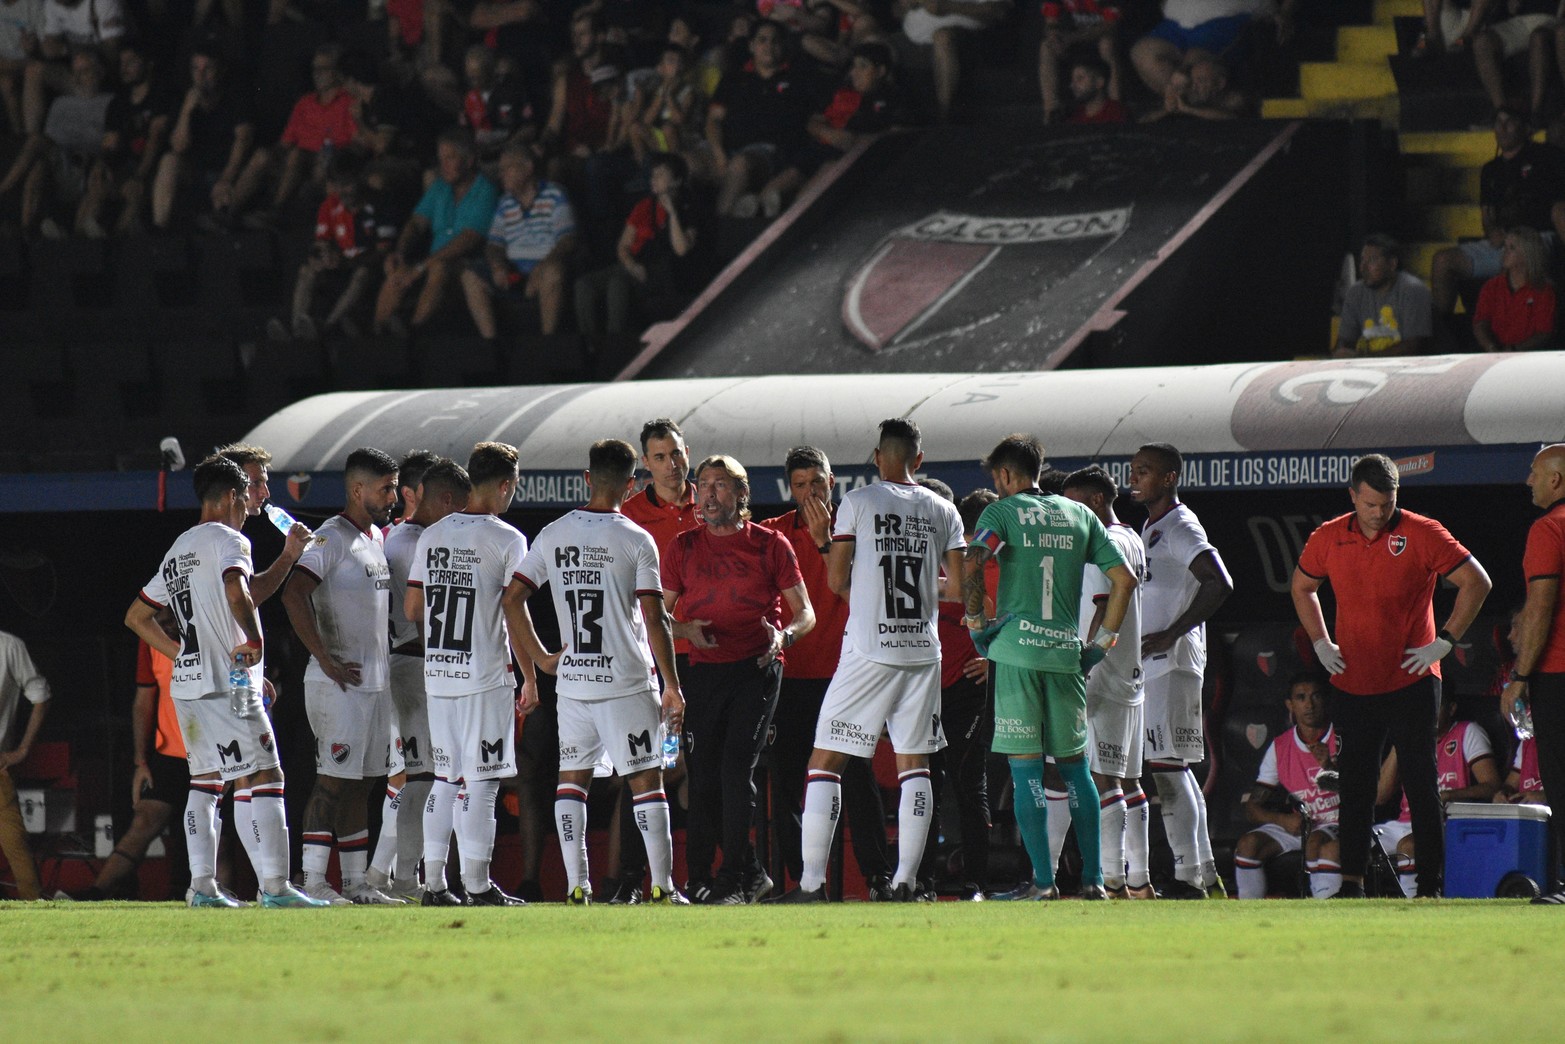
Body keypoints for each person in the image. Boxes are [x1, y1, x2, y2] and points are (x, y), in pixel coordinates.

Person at [772, 421, 965, 903]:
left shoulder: (858, 504)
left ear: (878, 457)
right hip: (923, 652)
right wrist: (925, 587)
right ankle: (907, 882)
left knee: (825, 763)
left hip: (869, 651)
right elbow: (959, 590)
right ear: (918, 460)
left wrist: (822, 544)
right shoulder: (944, 510)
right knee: (914, 764)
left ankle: (813, 884)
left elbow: (838, 582)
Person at [124, 454, 326, 908]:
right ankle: (275, 887)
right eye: (249, 492)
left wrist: (182, 654)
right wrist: (254, 641)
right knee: (267, 775)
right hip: (226, 686)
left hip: (191, 686)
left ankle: (202, 887)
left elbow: (136, 616)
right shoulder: (229, 539)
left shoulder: (178, 548)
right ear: (233, 496)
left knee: (207, 781)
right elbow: (239, 591)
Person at [1292, 453, 1492, 898]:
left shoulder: (1422, 531)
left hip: (1412, 680)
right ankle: (1351, 883)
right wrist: (1322, 642)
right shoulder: (1328, 537)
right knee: (1357, 785)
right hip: (1353, 682)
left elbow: (1477, 581)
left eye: (1387, 503)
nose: (1380, 513)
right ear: (1352, 497)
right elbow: (1302, 586)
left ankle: (1430, 885)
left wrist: (1444, 641)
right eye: (1370, 505)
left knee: (1421, 782)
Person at [508, 438, 689, 905]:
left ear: (588, 478)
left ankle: (576, 885)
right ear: (632, 485)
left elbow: (512, 599)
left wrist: (545, 659)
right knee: (647, 782)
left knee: (573, 780)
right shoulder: (635, 539)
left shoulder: (553, 533)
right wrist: (671, 685)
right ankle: (664, 888)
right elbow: (655, 617)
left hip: (573, 684)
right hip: (626, 682)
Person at [963, 433, 1135, 900]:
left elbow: (974, 561)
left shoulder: (1000, 512)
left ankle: (1043, 882)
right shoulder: (1080, 515)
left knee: (1027, 771)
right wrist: (1099, 645)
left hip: (1017, 655)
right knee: (1077, 770)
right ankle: (1095, 881)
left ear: (1004, 475)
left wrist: (978, 624)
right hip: (1065, 657)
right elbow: (1125, 579)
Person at [662, 453, 815, 903]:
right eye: (703, 484)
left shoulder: (769, 544)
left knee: (734, 771)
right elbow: (654, 618)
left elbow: (805, 614)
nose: (708, 493)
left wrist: (783, 637)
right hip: (703, 672)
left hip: (756, 668)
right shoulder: (683, 546)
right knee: (702, 777)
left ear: (742, 493)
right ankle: (707, 877)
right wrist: (686, 630)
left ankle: (733, 880)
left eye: (720, 485)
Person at [407, 442, 540, 906]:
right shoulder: (507, 539)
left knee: (445, 780)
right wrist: (531, 675)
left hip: (440, 674)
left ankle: (436, 885)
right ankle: (479, 885)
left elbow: (412, 607)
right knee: (482, 781)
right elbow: (513, 610)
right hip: (485, 676)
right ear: (505, 485)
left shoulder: (433, 535)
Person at [759, 445, 892, 899]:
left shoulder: (858, 526)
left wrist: (825, 539)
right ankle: (802, 882)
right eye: (800, 485)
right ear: (789, 489)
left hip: (847, 676)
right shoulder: (772, 534)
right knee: (788, 786)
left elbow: (867, 587)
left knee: (858, 778)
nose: (810, 491)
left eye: (817, 482)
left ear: (833, 481)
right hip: (790, 678)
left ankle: (878, 878)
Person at [281, 448, 401, 906]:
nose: (392, 496)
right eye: (385, 488)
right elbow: (294, 593)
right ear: (357, 489)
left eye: (393, 487)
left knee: (363, 782)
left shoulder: (372, 537)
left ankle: (355, 884)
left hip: (374, 683)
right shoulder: (331, 537)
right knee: (331, 780)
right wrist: (325, 658)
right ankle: (312, 881)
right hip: (338, 684)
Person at [1128, 441, 1233, 899]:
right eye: (1133, 470)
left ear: (1169, 477)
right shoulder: (1152, 527)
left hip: (1171, 663)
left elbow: (1220, 581)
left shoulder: (1180, 524)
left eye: (1145, 471)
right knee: (1174, 769)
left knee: (1167, 769)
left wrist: (1172, 633)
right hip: (1160, 664)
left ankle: (1188, 878)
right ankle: (1206, 872)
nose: (1135, 478)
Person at [1061, 464, 1152, 899]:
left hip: (1100, 671)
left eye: (1076, 505)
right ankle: (1140, 880)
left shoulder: (1103, 543)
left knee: (1103, 778)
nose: (1070, 516)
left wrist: (1087, 656)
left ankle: (1114, 879)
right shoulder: (1131, 537)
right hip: (1131, 673)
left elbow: (1102, 604)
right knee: (1129, 781)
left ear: (1097, 501)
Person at [373, 450, 457, 899]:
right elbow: (419, 614)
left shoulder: (400, 538)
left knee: (417, 776)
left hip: (413, 665)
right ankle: (403, 877)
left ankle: (389, 873)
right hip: (414, 663)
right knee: (421, 777)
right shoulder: (409, 543)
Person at [72, 639, 189, 901]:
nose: (162, 622)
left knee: (217, 836)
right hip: (170, 754)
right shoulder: (150, 638)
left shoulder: (209, 625)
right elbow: (144, 700)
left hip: (215, 754)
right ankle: (97, 892)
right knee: (144, 820)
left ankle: (210, 901)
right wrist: (141, 762)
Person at [1500, 443, 1565, 902]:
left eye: (1535, 473)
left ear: (1556, 480)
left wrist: (1520, 676)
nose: (1528, 481)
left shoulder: (1548, 529)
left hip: (1558, 674)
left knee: (1560, 778)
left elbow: (1541, 607)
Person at [1430, 107, 1565, 322]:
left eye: (1509, 122)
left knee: (1512, 259)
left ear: (1525, 128)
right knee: (1442, 261)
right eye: (1498, 122)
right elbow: (1487, 217)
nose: (1502, 128)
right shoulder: (1490, 170)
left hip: (1537, 239)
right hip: (1502, 242)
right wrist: (1493, 232)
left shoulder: (1543, 157)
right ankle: (1439, 335)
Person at [374, 127, 499, 338]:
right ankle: (376, 336)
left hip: (468, 265)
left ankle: (412, 333)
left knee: (439, 267)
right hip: (433, 263)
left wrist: (422, 266)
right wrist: (401, 252)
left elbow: (468, 240)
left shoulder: (486, 191)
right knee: (397, 271)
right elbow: (416, 223)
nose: (443, 165)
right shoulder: (440, 187)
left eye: (450, 158)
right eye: (441, 159)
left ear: (468, 161)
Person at [1378, 690, 1503, 893]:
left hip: (1448, 822)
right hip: (1403, 823)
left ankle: (1414, 910)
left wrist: (1449, 796)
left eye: (1433, 705)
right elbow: (1380, 796)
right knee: (1347, 848)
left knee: (1410, 846)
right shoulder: (1412, 738)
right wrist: (1399, 741)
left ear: (1451, 708)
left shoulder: (1467, 731)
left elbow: (1492, 786)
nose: (1424, 712)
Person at [1234, 674, 1342, 900]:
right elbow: (1252, 809)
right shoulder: (1281, 746)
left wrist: (1330, 767)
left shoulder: (1343, 738)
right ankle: (1248, 920)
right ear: (1290, 705)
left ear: (1326, 700)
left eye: (1315, 696)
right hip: (1301, 824)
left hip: (1337, 821)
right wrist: (1283, 821)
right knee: (1248, 844)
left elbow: (1367, 793)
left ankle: (1323, 912)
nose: (1309, 704)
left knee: (1315, 842)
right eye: (1301, 698)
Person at [459, 143, 577, 343]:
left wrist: (542, 266)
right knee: (469, 276)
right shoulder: (505, 202)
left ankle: (548, 345)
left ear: (528, 168)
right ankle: (492, 346)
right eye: (501, 169)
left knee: (553, 272)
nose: (501, 174)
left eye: (507, 168)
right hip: (514, 272)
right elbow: (494, 245)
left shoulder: (555, 194)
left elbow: (568, 240)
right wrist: (497, 266)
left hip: (545, 266)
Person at [574, 152, 700, 339]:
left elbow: (681, 250)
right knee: (584, 284)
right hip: (634, 264)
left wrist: (672, 213)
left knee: (617, 285)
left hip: (662, 270)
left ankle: (614, 344)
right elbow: (623, 246)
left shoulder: (688, 207)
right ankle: (589, 343)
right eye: (653, 174)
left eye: (660, 174)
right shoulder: (644, 206)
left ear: (676, 181)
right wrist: (631, 265)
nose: (653, 179)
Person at [705, 19, 815, 217]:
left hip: (765, 154)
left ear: (782, 46)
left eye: (775, 41)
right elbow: (714, 120)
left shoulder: (797, 78)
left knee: (740, 165)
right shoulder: (733, 78)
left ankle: (719, 231)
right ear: (752, 45)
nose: (769, 46)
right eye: (762, 40)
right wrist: (720, 155)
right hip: (724, 150)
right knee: (686, 163)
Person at [149, 49, 260, 233]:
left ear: (220, 70)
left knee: (261, 158)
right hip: (197, 173)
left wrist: (226, 178)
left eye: (207, 69)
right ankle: (159, 230)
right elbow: (178, 147)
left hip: (228, 172)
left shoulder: (235, 97)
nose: (201, 75)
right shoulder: (184, 101)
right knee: (169, 160)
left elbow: (243, 139)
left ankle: (222, 219)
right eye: (196, 69)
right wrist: (186, 111)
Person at [897, 0, 1012, 123]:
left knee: (943, 38)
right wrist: (907, 5)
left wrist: (949, 7)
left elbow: (999, 10)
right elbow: (896, 11)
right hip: (915, 34)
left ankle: (944, 114)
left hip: (963, 31)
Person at [0, 629, 50, 901]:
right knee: (16, 846)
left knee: (16, 845)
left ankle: (35, 905)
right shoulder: (8, 645)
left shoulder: (9, 646)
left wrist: (21, 751)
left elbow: (40, 695)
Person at [1334, 233, 1434, 358]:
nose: (1363, 267)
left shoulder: (1413, 290)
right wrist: (1341, 353)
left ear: (1392, 264)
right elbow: (1344, 341)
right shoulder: (1355, 292)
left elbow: (1413, 347)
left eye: (1372, 260)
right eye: (1362, 260)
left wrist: (1364, 358)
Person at [1473, 225, 1556, 351]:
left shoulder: (1543, 291)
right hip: (1493, 354)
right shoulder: (1492, 287)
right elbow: (1480, 322)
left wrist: (1515, 349)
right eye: (1504, 247)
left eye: (1512, 248)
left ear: (1527, 254)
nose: (1505, 252)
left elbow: (1544, 332)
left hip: (1530, 357)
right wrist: (1490, 347)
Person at [1040, 4, 1123, 123]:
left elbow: (1110, 25)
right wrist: (1054, 36)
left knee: (1107, 44)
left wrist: (1072, 37)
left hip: (1098, 39)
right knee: (1046, 47)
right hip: (1071, 43)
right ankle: (1051, 113)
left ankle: (1116, 109)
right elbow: (1050, 22)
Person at [1062, 55, 1126, 125]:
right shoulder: (1074, 118)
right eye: (1073, 80)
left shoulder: (1116, 112)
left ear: (1099, 82)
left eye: (1080, 78)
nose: (1072, 85)